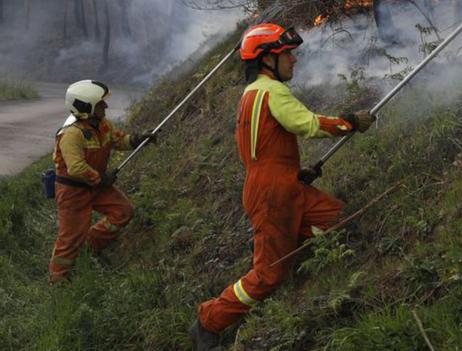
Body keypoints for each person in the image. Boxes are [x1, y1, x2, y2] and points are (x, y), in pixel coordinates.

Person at [190, 23, 375, 350]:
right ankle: (209, 321)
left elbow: (261, 149)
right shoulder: (271, 91)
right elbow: (306, 124)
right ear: (266, 61)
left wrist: (292, 171)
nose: (293, 60)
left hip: (278, 186)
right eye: (286, 54)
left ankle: (301, 256)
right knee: (268, 274)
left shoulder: (251, 95)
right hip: (273, 194)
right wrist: (349, 122)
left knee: (338, 220)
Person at [49, 80, 156, 283]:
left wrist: (137, 139)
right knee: (70, 238)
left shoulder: (102, 125)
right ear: (86, 107)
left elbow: (117, 140)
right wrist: (100, 179)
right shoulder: (71, 134)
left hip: (96, 185)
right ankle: (59, 279)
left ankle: (90, 247)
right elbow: (76, 168)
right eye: (100, 104)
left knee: (122, 211)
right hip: (74, 191)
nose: (105, 106)